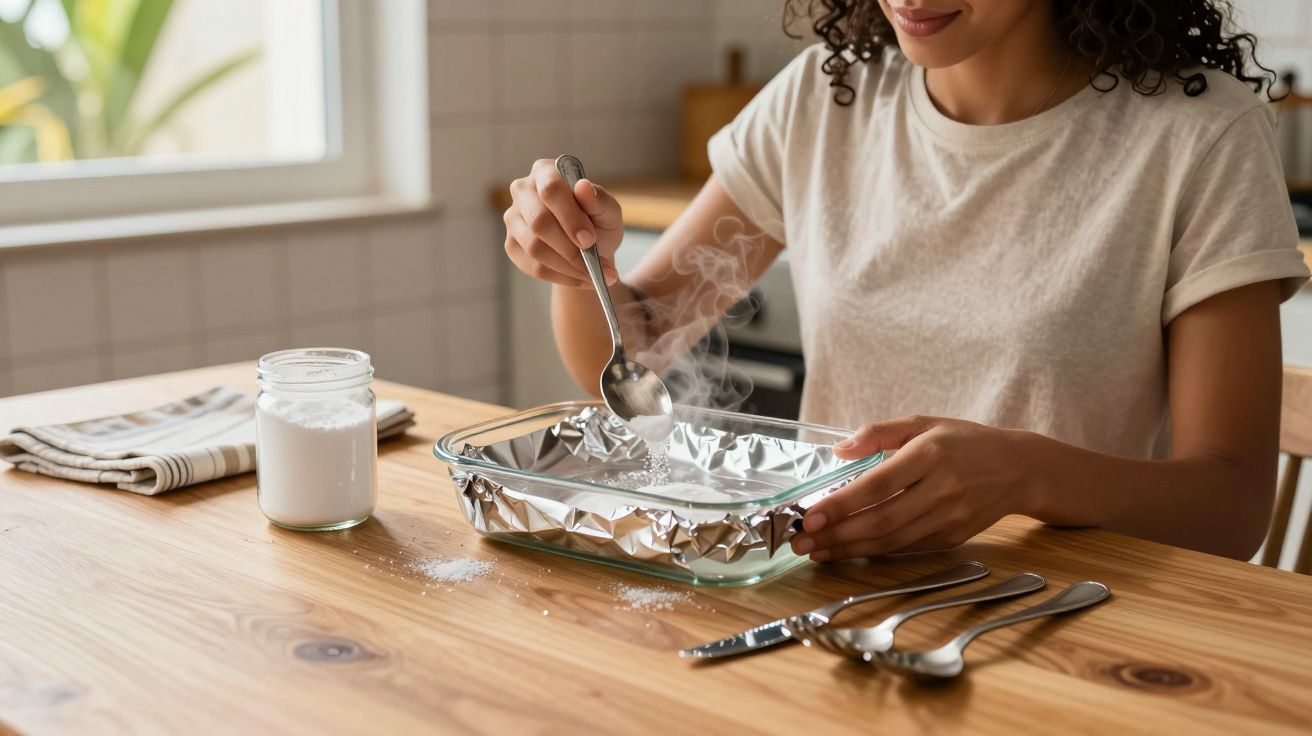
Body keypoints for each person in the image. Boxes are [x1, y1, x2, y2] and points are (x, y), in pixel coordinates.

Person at [500, 0, 1311, 561]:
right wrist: (579, 265)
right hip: (831, 595)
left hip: (1066, 619)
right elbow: (632, 348)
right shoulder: (827, 94)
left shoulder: (1199, 134)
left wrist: (1027, 474)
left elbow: (1230, 507)